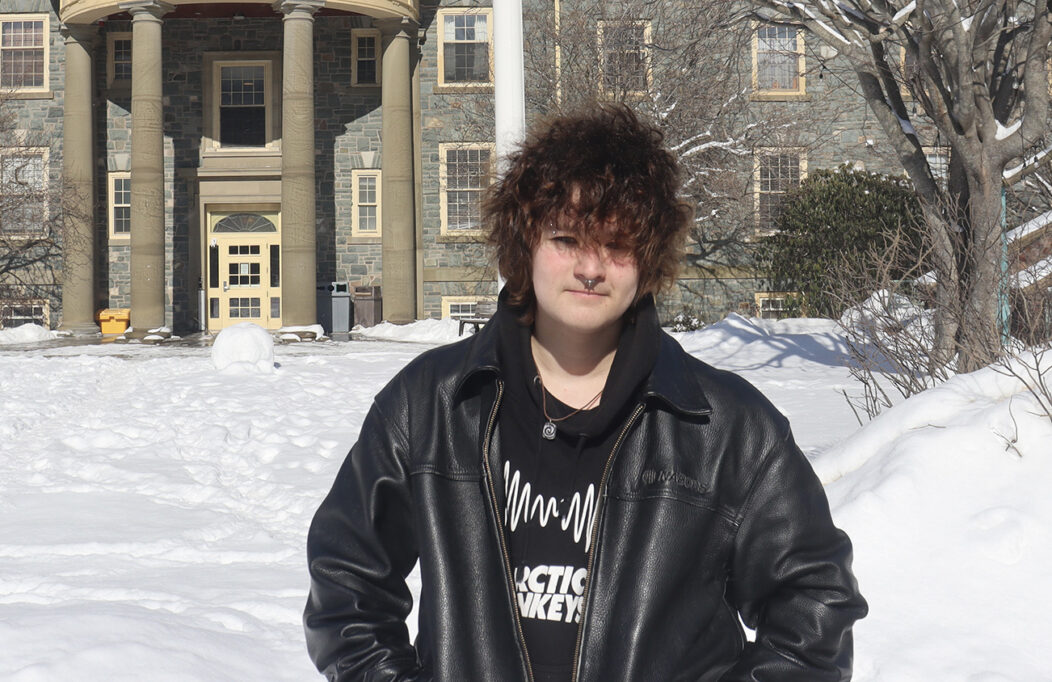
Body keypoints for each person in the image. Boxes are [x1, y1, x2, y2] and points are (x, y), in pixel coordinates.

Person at [304, 105, 866, 681]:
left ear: (649, 257)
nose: (591, 268)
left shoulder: (728, 428)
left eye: (618, 245)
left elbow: (814, 604)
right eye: (567, 238)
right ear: (525, 244)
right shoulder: (430, 406)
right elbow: (346, 581)